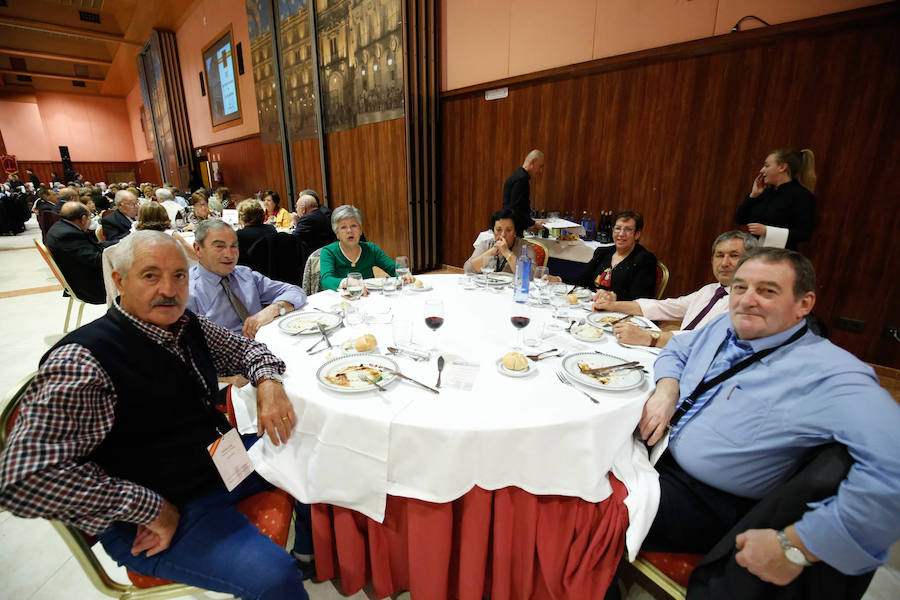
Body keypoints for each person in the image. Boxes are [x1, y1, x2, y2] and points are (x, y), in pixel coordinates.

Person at [0, 231, 310, 600]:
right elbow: (23, 477)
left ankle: (307, 554)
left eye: (179, 275)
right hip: (157, 507)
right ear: (119, 281)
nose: (169, 288)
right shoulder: (83, 362)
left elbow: (251, 352)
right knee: (273, 579)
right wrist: (149, 508)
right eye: (150, 275)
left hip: (212, 465)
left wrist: (269, 385)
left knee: (307, 448)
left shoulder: (184, 325)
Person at [636, 248, 900, 598]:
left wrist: (800, 545)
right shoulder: (723, 324)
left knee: (577, 513)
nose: (747, 300)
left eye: (767, 290)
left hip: (706, 502)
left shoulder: (831, 373)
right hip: (658, 455)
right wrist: (667, 389)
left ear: (804, 304)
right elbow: (679, 350)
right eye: (740, 287)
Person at [596, 231, 756, 348]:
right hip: (673, 353)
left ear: (751, 260)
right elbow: (665, 307)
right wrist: (613, 305)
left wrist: (649, 337)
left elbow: (704, 340)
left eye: (734, 256)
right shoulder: (710, 290)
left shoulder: (749, 304)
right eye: (720, 255)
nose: (724, 263)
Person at [187, 219, 307, 339]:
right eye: (219, 246)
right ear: (198, 249)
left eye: (233, 246)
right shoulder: (187, 291)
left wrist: (274, 309)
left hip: (264, 343)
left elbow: (295, 291)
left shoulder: (244, 275)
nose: (229, 254)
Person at [549, 210, 657, 300]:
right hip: (593, 305)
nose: (621, 234)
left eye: (628, 229)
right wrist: (558, 280)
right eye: (618, 228)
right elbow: (583, 280)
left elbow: (641, 297)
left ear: (637, 234)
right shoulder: (603, 252)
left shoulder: (645, 259)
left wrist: (613, 296)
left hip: (620, 313)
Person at [735, 148, 816, 250]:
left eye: (767, 166)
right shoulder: (765, 192)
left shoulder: (802, 196)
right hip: (754, 253)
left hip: (780, 256)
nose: (762, 170)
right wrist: (753, 195)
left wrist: (767, 231)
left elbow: (804, 234)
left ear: (782, 167)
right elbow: (740, 219)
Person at [319, 205, 414, 292]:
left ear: (360, 230)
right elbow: (326, 280)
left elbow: (393, 268)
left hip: (369, 297)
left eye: (353, 226)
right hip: (342, 302)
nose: (349, 231)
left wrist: (404, 274)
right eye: (343, 227)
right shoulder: (329, 252)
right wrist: (347, 282)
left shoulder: (370, 249)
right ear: (337, 233)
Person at [44, 201, 107, 304]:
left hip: (81, 277)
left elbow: (94, 246)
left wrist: (119, 243)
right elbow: (96, 260)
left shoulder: (61, 227)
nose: (90, 220)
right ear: (83, 219)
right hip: (91, 287)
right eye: (89, 216)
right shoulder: (68, 235)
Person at [463, 208, 537, 275]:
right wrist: (492, 251)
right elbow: (468, 270)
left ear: (515, 232)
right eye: (498, 230)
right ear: (493, 231)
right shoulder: (486, 244)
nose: (503, 234)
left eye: (508, 230)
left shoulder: (525, 247)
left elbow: (530, 276)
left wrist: (507, 252)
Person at [502, 149, 545, 235]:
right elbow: (516, 209)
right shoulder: (521, 180)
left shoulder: (518, 176)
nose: (540, 171)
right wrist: (532, 223)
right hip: (512, 231)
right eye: (540, 166)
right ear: (533, 162)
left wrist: (527, 225)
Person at [291, 189, 336, 256]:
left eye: (296, 206)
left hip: (316, 255)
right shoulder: (319, 214)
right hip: (324, 250)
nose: (296, 209)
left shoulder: (307, 219)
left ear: (303, 209)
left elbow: (293, 238)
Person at [236, 199, 277, 267]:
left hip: (250, 272)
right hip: (272, 269)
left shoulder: (239, 235)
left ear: (241, 217)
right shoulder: (271, 229)